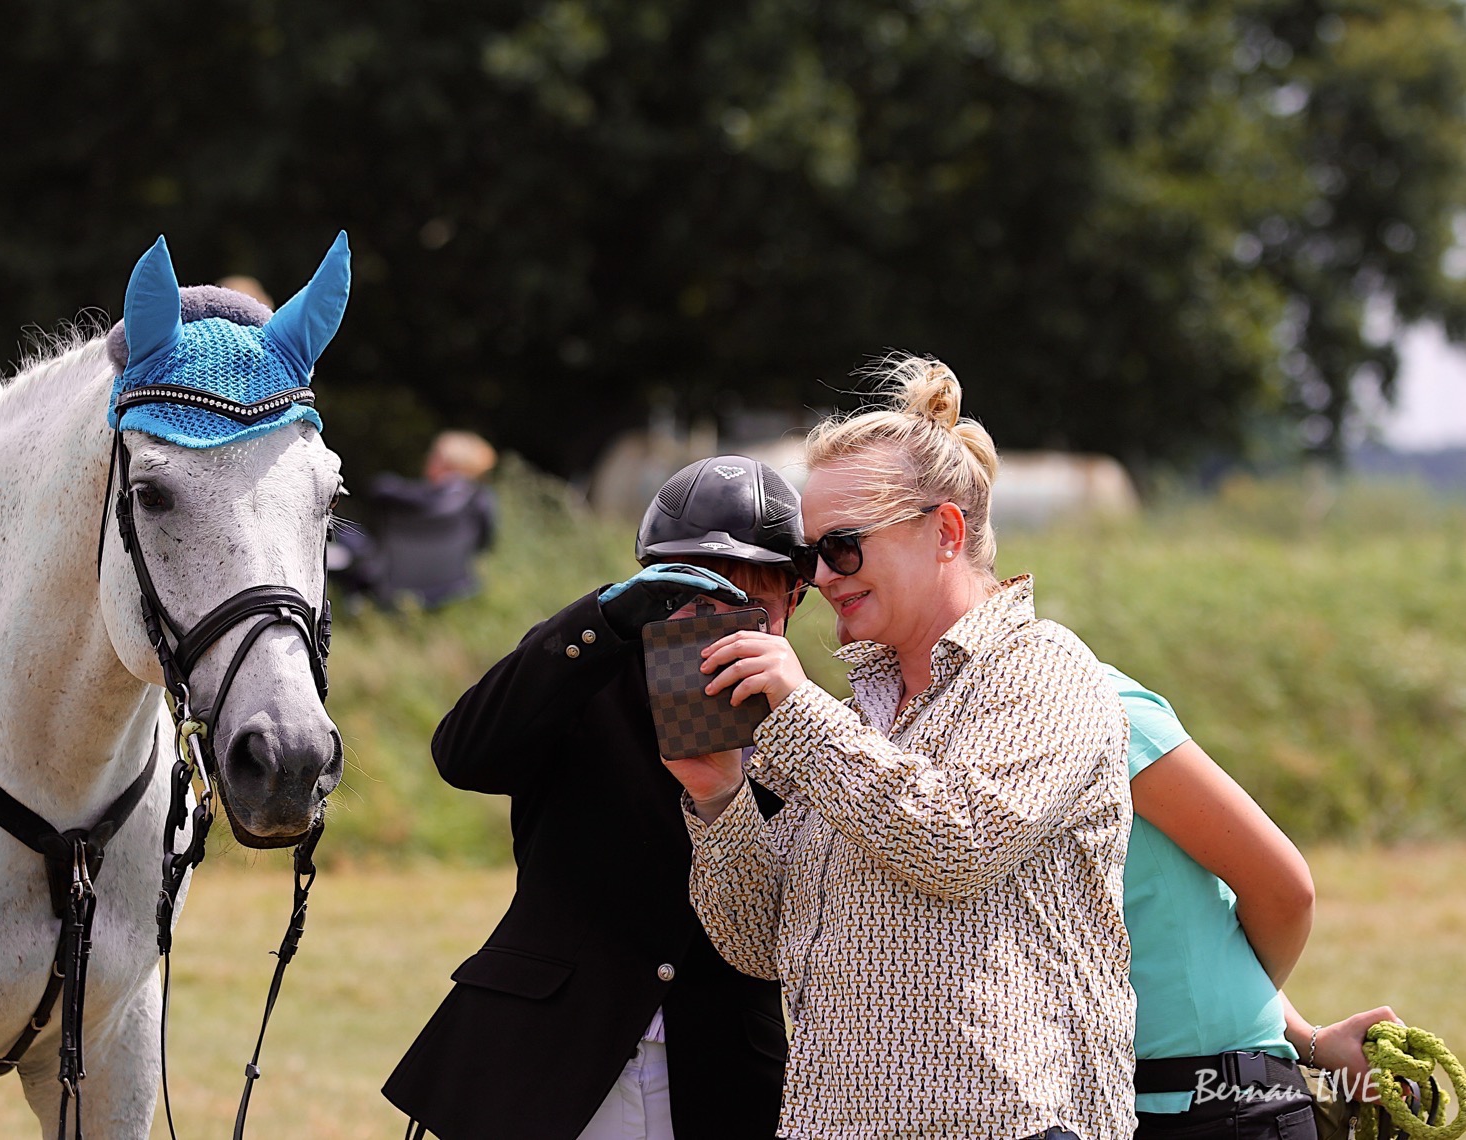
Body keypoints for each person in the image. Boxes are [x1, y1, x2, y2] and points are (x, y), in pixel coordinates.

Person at [675, 356, 1135, 1139]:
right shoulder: (854, 719)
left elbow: (953, 843)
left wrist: (798, 713)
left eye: (842, 547)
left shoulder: (1045, 668)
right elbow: (759, 945)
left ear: (946, 532)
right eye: (808, 555)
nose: (818, 577)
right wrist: (717, 794)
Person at [382, 454, 804, 1140]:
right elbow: (462, 755)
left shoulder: (813, 724)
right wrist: (602, 623)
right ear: (651, 589)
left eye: (754, 599)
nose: (723, 620)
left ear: (793, 601)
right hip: (548, 1053)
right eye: (694, 596)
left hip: (720, 1069)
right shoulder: (583, 675)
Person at [1108, 665, 1400, 1137]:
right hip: (1119, 1100)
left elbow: (1284, 892)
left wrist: (1289, 1032)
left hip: (1208, 1106)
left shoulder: (1108, 706)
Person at [335, 430, 498, 608]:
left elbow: (380, 487)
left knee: (341, 529)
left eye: (433, 455)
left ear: (445, 463)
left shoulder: (401, 496)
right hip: (453, 590)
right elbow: (483, 545)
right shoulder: (481, 503)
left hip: (388, 585)